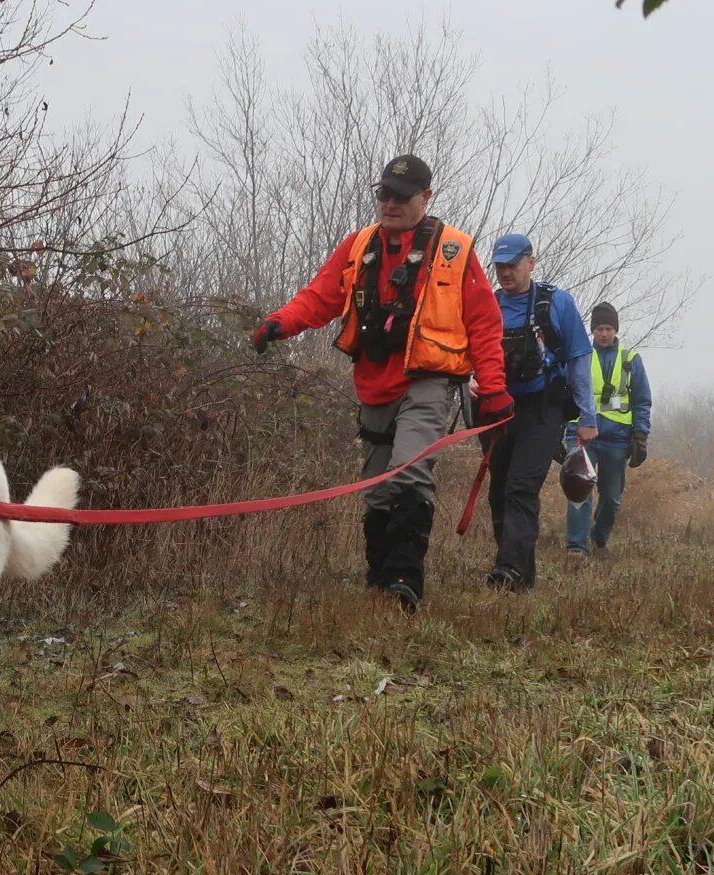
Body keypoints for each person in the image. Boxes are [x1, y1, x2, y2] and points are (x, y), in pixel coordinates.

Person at [251, 154, 510, 611]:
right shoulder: (358, 245)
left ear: (425, 198)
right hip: (373, 380)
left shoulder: (454, 250)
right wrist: (279, 323)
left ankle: (406, 580)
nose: (389, 203)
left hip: (428, 381)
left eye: (401, 197)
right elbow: (320, 296)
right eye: (383, 194)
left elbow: (484, 325)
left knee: (409, 469)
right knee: (375, 485)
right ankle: (380, 573)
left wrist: (493, 389)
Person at [481, 232, 596, 590]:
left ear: (530, 263)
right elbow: (466, 353)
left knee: (520, 486)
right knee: (498, 488)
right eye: (499, 266)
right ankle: (520, 574)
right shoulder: (487, 304)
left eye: (512, 265)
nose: (505, 272)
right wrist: (469, 379)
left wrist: (587, 418)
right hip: (496, 408)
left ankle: (509, 569)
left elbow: (578, 359)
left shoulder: (556, 303)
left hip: (543, 407)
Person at [564, 302, 652, 555]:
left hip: (617, 439)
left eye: (608, 328)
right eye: (600, 328)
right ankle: (576, 547)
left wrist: (641, 435)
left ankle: (599, 537)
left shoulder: (631, 360)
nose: (604, 333)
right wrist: (560, 435)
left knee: (611, 497)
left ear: (615, 330)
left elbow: (642, 400)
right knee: (578, 490)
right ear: (593, 331)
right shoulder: (579, 357)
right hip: (581, 435)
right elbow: (563, 396)